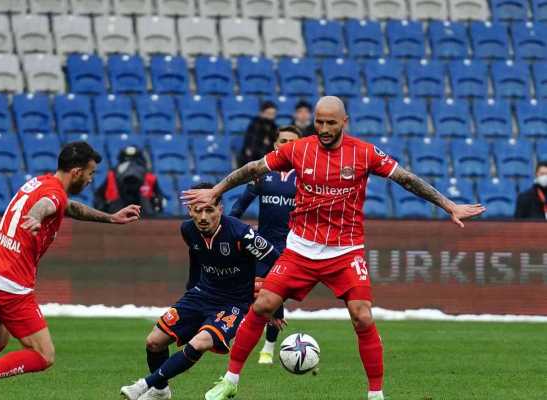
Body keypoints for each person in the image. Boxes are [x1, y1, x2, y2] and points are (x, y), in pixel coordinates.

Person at [181, 96, 486, 400]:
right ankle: (231, 381)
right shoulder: (299, 149)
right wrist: (216, 190)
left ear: (344, 122)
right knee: (261, 306)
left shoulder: (365, 153)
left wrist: (448, 205)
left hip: (345, 251)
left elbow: (405, 179)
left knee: (363, 316)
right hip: (301, 249)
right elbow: (253, 169)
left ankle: (376, 395)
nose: (324, 128)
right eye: (319, 122)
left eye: (330, 122)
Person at [0, 142, 142, 400]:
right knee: (43, 355)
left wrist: (111, 218)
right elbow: (48, 205)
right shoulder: (53, 196)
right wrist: (37, 216)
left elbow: (68, 207)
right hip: (10, 283)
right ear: (76, 172)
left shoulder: (39, 182)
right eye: (90, 173)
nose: (90, 180)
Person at [120, 182, 281, 400]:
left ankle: (144, 385)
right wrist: (190, 291)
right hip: (200, 295)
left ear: (220, 209)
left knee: (200, 342)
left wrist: (275, 306)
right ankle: (160, 391)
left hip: (233, 304)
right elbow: (196, 258)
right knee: (154, 341)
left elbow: (279, 262)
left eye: (209, 210)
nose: (204, 217)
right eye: (198, 210)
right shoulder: (187, 229)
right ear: (190, 211)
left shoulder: (242, 234)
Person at [229, 125, 301, 365]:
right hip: (264, 244)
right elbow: (240, 205)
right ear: (275, 145)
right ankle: (246, 335)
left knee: (277, 296)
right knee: (257, 293)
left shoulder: (306, 176)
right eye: (283, 140)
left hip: (292, 246)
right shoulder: (262, 174)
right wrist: (229, 228)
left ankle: (269, 346)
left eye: (292, 141)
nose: (287, 144)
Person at [94, 145, 164, 216]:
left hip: (145, 216)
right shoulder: (111, 175)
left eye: (134, 160)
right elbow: (98, 196)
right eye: (127, 160)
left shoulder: (150, 177)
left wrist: (155, 211)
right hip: (116, 215)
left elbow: (159, 199)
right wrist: (103, 209)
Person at [239, 100, 278, 166]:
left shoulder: (274, 128)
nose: (271, 117)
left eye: (273, 114)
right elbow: (250, 151)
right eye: (268, 114)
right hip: (252, 164)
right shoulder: (255, 126)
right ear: (261, 113)